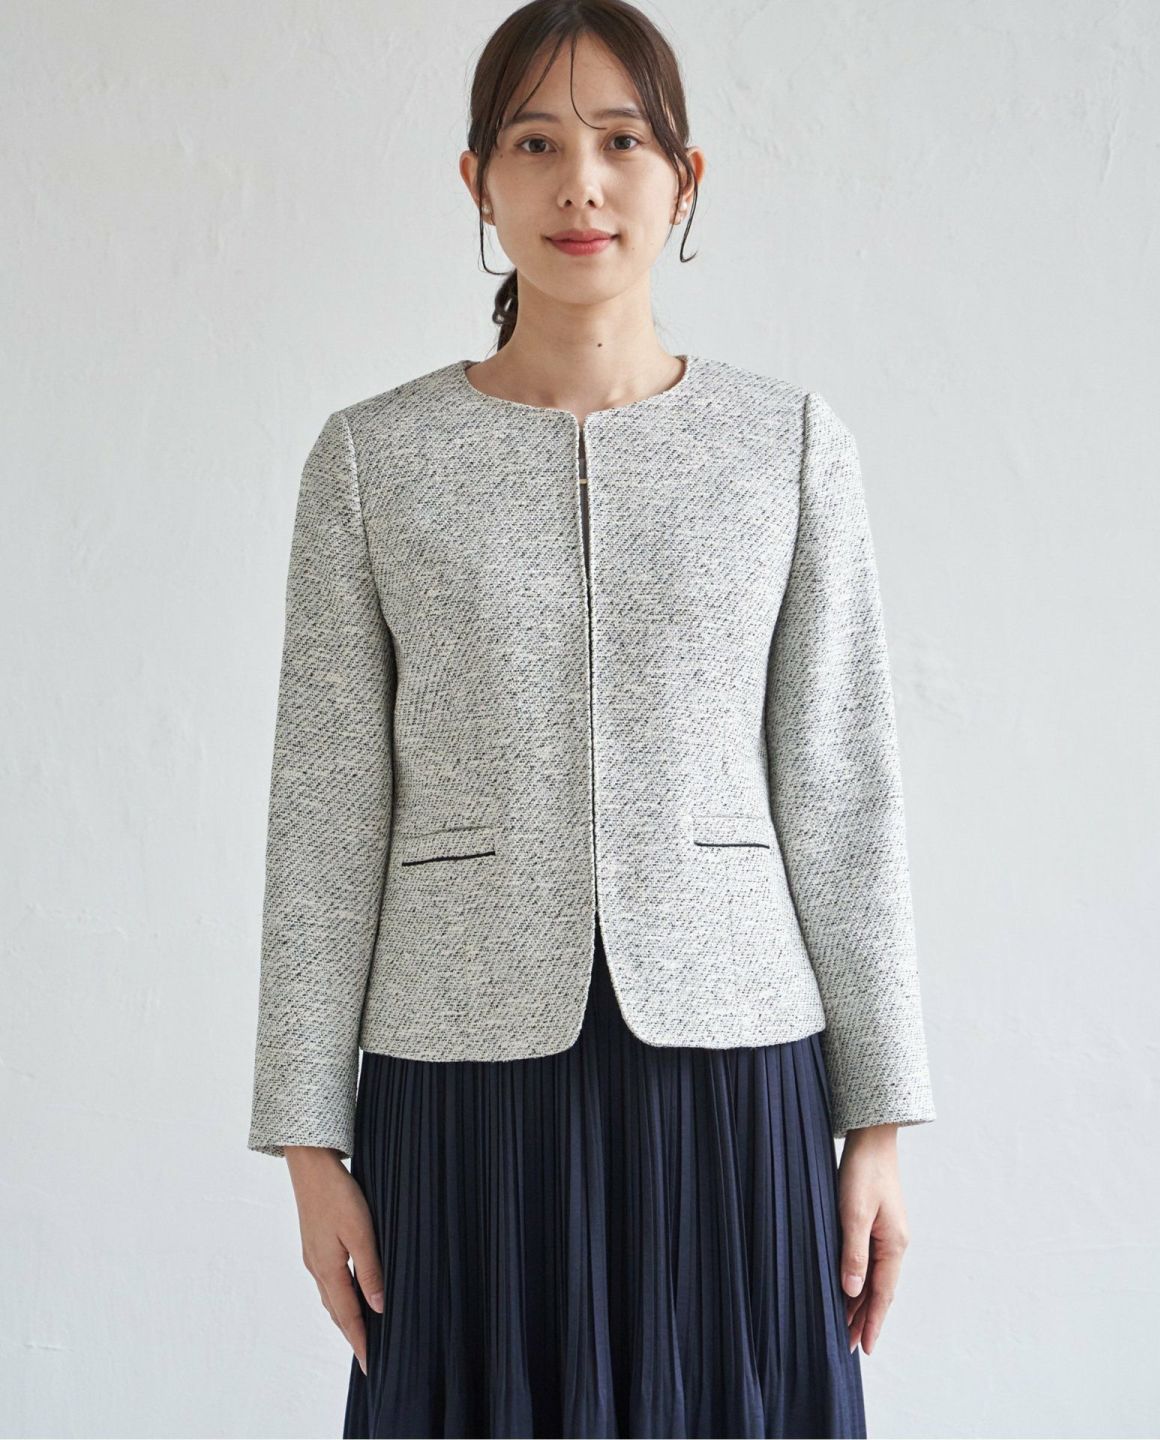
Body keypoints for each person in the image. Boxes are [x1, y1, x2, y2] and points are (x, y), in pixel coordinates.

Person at [246, 3, 937, 1436]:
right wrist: (310, 1146)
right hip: (458, 1078)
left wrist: (877, 1123)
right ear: (477, 182)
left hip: (735, 1071)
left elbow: (841, 792)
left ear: (685, 180)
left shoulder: (788, 447)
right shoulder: (373, 461)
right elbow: (324, 815)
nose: (582, 184)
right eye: (535, 144)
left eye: (623, 142)